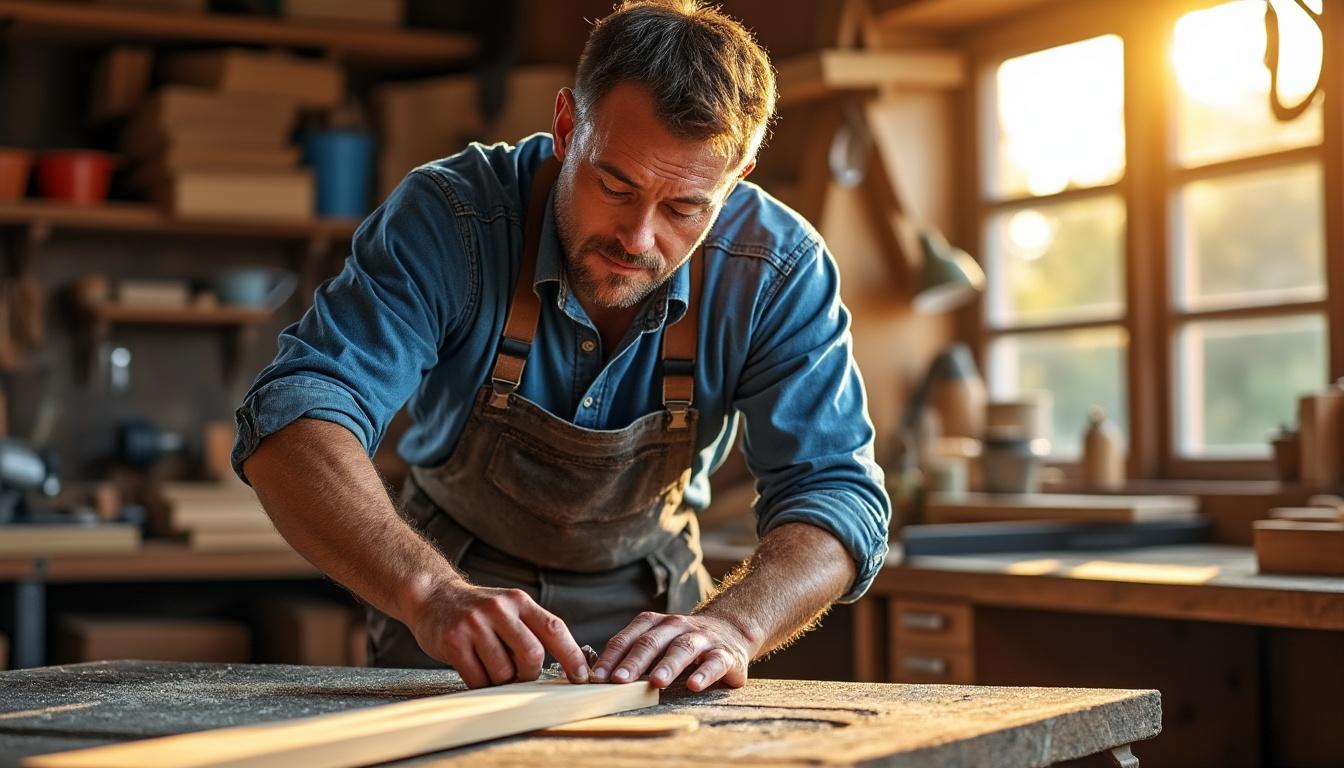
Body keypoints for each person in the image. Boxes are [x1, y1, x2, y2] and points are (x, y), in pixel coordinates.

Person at [234, 0, 890, 692]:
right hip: (450, 602)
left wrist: (735, 625)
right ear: (568, 124)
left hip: (658, 617)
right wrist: (429, 594)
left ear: (739, 174)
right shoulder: (452, 218)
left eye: (684, 208)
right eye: (615, 185)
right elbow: (297, 417)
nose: (637, 238)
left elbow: (836, 493)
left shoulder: (777, 270)